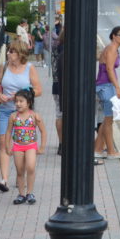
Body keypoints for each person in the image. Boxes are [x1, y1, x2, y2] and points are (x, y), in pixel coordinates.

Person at [0, 39, 42, 192]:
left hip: (24, 113)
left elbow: (38, 90)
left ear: (20, 54)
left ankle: (21, 175)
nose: (8, 53)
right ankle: (4, 180)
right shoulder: (4, 66)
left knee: (23, 144)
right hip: (6, 110)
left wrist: (21, 95)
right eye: (8, 50)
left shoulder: (29, 68)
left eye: (11, 51)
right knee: (3, 141)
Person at [4, 88, 45, 205]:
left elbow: (43, 131)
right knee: (20, 171)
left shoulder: (35, 116)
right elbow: (8, 132)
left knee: (31, 167)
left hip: (31, 146)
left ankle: (30, 192)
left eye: (21, 101)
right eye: (16, 101)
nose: (18, 104)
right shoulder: (13, 116)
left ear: (29, 102)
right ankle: (21, 194)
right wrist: (7, 146)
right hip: (17, 146)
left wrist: (42, 147)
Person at [94, 26, 120, 160]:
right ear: (114, 36)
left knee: (107, 120)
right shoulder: (112, 48)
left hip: (105, 86)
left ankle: (97, 149)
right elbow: (109, 69)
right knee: (109, 120)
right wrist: (117, 88)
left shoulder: (111, 48)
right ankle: (111, 152)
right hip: (106, 86)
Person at [49, 25, 64, 155]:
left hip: (56, 85)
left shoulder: (56, 47)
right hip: (66, 86)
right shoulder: (69, 50)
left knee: (59, 115)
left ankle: (61, 144)